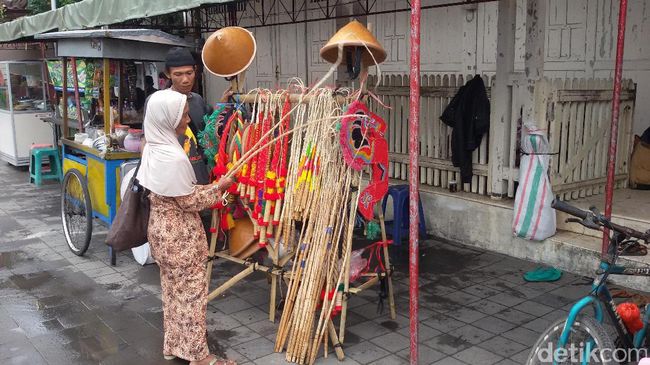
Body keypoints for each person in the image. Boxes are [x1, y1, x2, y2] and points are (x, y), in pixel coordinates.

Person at [136, 89, 236, 365]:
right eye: (182, 114)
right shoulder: (174, 156)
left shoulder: (152, 147)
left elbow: (174, 192)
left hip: (160, 231)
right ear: (167, 118)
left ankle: (173, 346)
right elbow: (188, 200)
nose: (187, 118)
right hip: (181, 236)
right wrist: (220, 187)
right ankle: (199, 356)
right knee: (192, 296)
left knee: (171, 292)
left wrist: (209, 189)